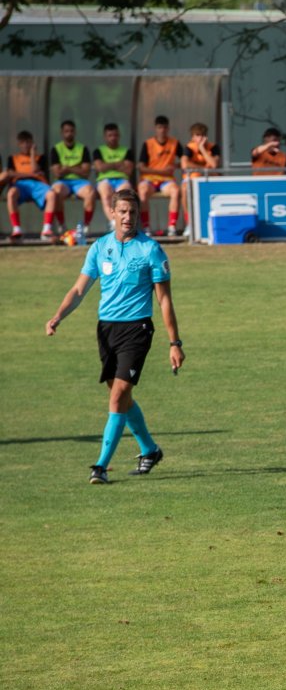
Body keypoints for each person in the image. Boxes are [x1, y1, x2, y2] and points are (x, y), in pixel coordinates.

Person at [44, 188, 183, 485]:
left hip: (137, 329)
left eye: (132, 212)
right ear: (113, 213)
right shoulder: (99, 247)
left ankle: (101, 466)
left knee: (119, 394)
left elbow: (165, 301)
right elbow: (79, 289)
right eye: (122, 211)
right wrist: (58, 316)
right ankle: (150, 450)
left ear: (138, 214)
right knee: (119, 396)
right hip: (106, 330)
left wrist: (175, 343)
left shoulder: (151, 250)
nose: (127, 217)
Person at [6, 130, 58, 241]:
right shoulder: (13, 158)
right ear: (19, 144)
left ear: (32, 143)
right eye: (23, 142)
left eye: (28, 142)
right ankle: (16, 230)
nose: (26, 145)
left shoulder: (40, 157)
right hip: (20, 185)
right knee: (11, 193)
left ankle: (46, 230)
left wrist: (33, 153)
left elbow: (35, 169)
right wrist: (30, 174)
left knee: (52, 194)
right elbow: (10, 174)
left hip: (38, 184)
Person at [137, 115, 183, 237]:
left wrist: (176, 166)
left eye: (164, 127)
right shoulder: (148, 144)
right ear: (155, 128)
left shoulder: (175, 143)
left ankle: (172, 226)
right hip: (149, 180)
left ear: (168, 128)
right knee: (142, 191)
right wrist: (161, 171)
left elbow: (184, 161)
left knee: (175, 191)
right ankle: (146, 227)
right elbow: (141, 167)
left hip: (166, 181)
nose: (162, 130)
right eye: (159, 127)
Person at [49, 120, 97, 235]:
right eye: (66, 131)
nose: (69, 133)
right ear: (62, 133)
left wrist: (67, 168)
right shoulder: (56, 149)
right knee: (56, 191)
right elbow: (57, 173)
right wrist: (77, 167)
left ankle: (85, 226)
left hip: (80, 182)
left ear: (75, 132)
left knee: (91, 192)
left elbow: (86, 172)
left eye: (71, 131)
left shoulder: (83, 148)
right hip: (62, 182)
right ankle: (62, 225)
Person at [93, 123, 135, 229]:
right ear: (105, 137)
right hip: (104, 180)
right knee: (106, 194)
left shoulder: (127, 151)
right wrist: (118, 164)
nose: (113, 138)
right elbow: (100, 168)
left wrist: (107, 165)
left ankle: (123, 222)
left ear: (119, 136)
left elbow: (128, 170)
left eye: (115, 135)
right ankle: (113, 222)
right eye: (110, 135)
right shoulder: (98, 151)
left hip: (122, 179)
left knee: (123, 198)